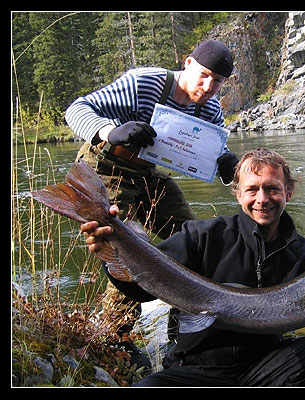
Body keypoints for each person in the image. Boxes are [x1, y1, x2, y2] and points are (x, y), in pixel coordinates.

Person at [81, 148, 305, 387]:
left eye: (272, 188)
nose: (263, 198)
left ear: (288, 191)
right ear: (238, 194)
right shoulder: (202, 236)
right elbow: (141, 288)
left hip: (262, 370)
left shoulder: (304, 256)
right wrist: (113, 255)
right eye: (253, 189)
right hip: (196, 370)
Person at [66, 39, 239, 345]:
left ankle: (187, 321)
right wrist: (110, 131)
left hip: (147, 173)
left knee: (192, 235)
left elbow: (213, 149)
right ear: (187, 64)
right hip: (105, 166)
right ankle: (116, 339)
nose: (208, 86)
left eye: (218, 81)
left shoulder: (210, 107)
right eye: (203, 75)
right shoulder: (143, 83)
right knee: (127, 248)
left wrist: (226, 165)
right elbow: (77, 109)